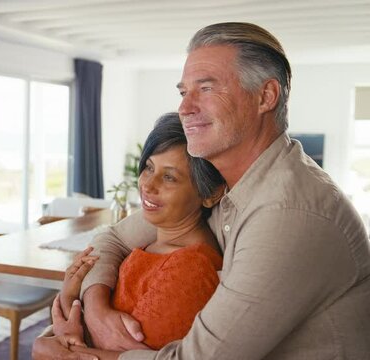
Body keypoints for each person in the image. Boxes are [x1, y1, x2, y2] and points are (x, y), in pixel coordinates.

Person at [34, 22, 370, 360]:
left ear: (265, 97)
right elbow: (113, 239)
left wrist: (71, 354)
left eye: (206, 89)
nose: (184, 108)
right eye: (184, 92)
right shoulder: (221, 184)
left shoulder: (288, 212)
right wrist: (97, 308)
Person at [56, 112, 225, 351]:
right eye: (148, 167)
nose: (147, 185)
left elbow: (125, 352)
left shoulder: (190, 269)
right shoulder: (156, 242)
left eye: (169, 177)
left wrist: (57, 343)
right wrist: (71, 301)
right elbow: (110, 237)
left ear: (210, 194)